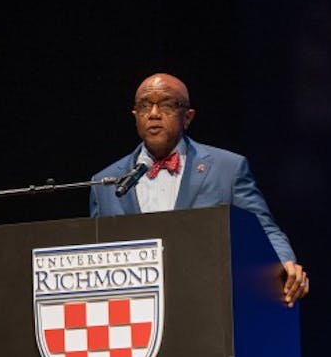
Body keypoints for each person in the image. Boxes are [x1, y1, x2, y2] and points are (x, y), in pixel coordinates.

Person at [90, 73, 309, 307]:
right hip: (133, 309)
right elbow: (95, 252)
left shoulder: (228, 169)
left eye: (166, 104)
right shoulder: (105, 182)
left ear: (188, 117)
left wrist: (285, 262)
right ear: (135, 116)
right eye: (145, 105)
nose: (154, 114)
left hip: (207, 303)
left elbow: (263, 228)